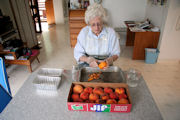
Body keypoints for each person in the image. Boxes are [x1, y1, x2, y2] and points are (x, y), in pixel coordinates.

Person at [74, 3, 120, 68]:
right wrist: (88, 60)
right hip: (87, 64)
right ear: (89, 23)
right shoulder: (84, 33)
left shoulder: (111, 33)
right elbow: (77, 53)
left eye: (99, 24)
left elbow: (116, 53)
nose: (96, 28)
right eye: (93, 25)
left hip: (105, 65)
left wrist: (109, 61)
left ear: (103, 22)